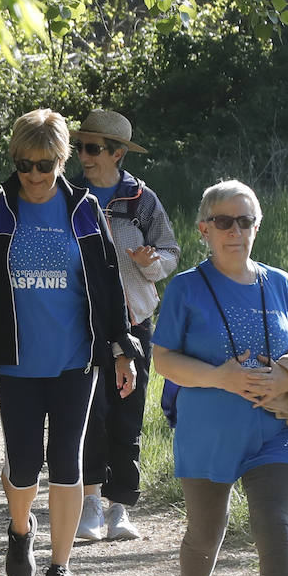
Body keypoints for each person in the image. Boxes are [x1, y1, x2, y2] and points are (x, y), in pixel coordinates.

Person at [0, 109, 139, 576]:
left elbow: (107, 283)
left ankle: (60, 566)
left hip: (76, 357)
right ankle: (20, 529)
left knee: (66, 460)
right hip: (15, 358)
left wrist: (121, 349)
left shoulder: (83, 210)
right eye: (24, 164)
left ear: (62, 161)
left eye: (44, 165)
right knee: (22, 462)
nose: (33, 175)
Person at [151, 179, 288, 576]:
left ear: (257, 226)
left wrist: (284, 376)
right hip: (208, 433)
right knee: (206, 531)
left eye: (245, 221)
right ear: (204, 228)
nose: (235, 230)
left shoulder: (280, 284)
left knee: (276, 528)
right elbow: (163, 359)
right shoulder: (185, 287)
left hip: (270, 432)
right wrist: (221, 377)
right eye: (224, 221)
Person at [70, 109, 180, 542]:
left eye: (93, 148)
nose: (84, 155)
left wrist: (153, 263)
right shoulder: (68, 195)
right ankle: (89, 504)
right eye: (80, 147)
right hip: (82, 324)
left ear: (117, 154)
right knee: (89, 415)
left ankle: (121, 509)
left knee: (127, 415)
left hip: (135, 321)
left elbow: (170, 252)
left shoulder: (143, 201)